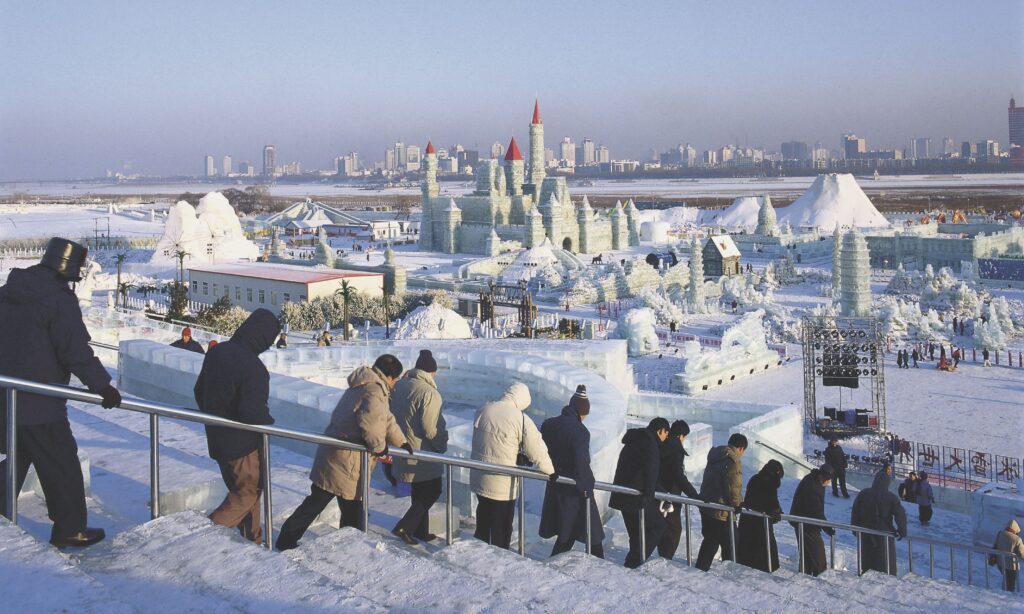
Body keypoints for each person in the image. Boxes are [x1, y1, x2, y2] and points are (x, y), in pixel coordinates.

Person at [0, 238, 121, 548]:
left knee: (18, 457)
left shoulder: (9, 291)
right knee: (63, 465)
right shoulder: (56, 298)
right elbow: (74, 350)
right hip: (39, 402)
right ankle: (70, 528)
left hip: (6, 398)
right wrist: (103, 387)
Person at [276, 355, 411, 550]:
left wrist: (402, 441)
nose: (395, 383)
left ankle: (291, 539)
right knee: (340, 504)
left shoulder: (365, 385)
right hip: (347, 459)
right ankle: (349, 546)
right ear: (389, 376)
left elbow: (386, 418)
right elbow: (371, 425)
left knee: (330, 502)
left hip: (338, 455)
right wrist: (380, 448)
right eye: (395, 379)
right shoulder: (374, 391)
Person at [194, 308, 279, 543]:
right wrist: (268, 423)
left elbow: (198, 391)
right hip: (242, 446)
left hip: (217, 438)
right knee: (246, 494)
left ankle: (253, 539)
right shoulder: (254, 368)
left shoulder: (217, 352)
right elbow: (252, 412)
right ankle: (201, 538)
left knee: (249, 492)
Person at [470, 383, 554, 550]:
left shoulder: (484, 409)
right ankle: (498, 562)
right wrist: (551, 471)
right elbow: (536, 450)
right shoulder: (520, 419)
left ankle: (478, 555)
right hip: (502, 484)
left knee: (483, 521)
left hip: (480, 477)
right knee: (501, 527)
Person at [390, 350, 448, 545]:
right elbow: (430, 428)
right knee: (432, 490)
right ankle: (405, 526)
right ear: (431, 372)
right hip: (422, 451)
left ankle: (420, 531)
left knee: (419, 490)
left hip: (402, 446)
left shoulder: (400, 385)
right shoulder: (429, 393)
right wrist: (441, 445)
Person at [539, 385, 604, 558]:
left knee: (567, 531)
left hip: (556, 485)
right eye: (585, 414)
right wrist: (587, 485)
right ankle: (602, 566)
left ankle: (555, 560)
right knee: (592, 532)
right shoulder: (580, 432)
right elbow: (581, 462)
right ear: (581, 411)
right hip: (575, 489)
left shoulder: (549, 424)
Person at [609, 417, 669, 568]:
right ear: (660, 431)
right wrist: (648, 498)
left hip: (621, 493)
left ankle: (632, 564)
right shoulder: (651, 444)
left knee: (636, 534)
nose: (665, 438)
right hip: (636, 497)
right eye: (665, 434)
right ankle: (633, 563)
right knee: (658, 526)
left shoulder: (634, 440)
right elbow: (651, 472)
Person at [695, 433, 747, 571]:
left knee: (710, 542)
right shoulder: (733, 462)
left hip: (707, 506)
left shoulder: (715, 456)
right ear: (741, 448)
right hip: (722, 512)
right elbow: (734, 488)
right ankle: (730, 578)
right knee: (731, 547)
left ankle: (699, 570)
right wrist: (737, 504)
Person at [656, 420, 700, 561]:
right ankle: (664, 560)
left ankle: (662, 557)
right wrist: (694, 495)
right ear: (681, 435)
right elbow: (678, 475)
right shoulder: (676, 449)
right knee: (674, 530)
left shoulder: (661, 445)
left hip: (660, 492)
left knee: (663, 528)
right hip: (671, 496)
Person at [850, 468, 907, 575]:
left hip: (865, 532)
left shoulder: (864, 493)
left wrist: (854, 528)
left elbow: (855, 511)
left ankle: (866, 577)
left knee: (867, 560)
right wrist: (902, 531)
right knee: (885, 562)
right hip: (884, 533)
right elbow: (900, 515)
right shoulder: (891, 497)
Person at [737, 460, 784, 573]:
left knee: (747, 554)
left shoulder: (755, 478)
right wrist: (777, 512)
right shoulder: (769, 482)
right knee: (764, 555)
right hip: (761, 524)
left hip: (748, 520)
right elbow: (771, 503)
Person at [790, 463, 835, 576]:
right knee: (817, 554)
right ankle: (819, 577)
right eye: (827, 479)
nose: (828, 482)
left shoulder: (814, 480)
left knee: (807, 554)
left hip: (804, 521)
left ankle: (805, 576)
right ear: (822, 476)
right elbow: (816, 511)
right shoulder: (813, 487)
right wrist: (827, 527)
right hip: (806, 523)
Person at [993, 519, 1024, 592]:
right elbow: (1022, 554)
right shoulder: (1017, 539)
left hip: (1000, 563)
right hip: (1011, 566)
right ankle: (1007, 596)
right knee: (1010, 585)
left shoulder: (1000, 534)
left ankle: (1004, 591)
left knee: (1005, 579)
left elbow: (996, 545)